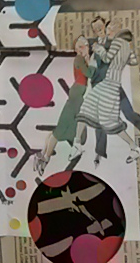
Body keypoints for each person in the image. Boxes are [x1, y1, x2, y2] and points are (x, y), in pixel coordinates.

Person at [89, 17, 140, 167]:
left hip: (113, 85)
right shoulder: (93, 44)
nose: (99, 30)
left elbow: (130, 61)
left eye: (101, 27)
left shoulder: (116, 42)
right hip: (99, 86)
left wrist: (129, 48)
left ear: (106, 27)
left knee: (129, 113)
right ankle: (99, 152)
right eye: (95, 29)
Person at [70, 19, 140, 164]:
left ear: (114, 30)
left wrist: (99, 49)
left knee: (109, 122)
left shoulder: (117, 42)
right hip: (107, 83)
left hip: (110, 85)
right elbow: (134, 61)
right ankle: (77, 144)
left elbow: (107, 59)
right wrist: (127, 51)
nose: (106, 31)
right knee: (86, 107)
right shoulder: (127, 46)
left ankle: (134, 147)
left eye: (108, 29)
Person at [34, 36, 94, 176]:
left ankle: (43, 155)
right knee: (61, 129)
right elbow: (90, 73)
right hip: (76, 95)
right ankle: (45, 158)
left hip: (78, 95)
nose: (82, 49)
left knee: (64, 127)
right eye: (79, 47)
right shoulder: (79, 59)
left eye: (84, 46)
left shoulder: (81, 59)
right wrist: (90, 60)